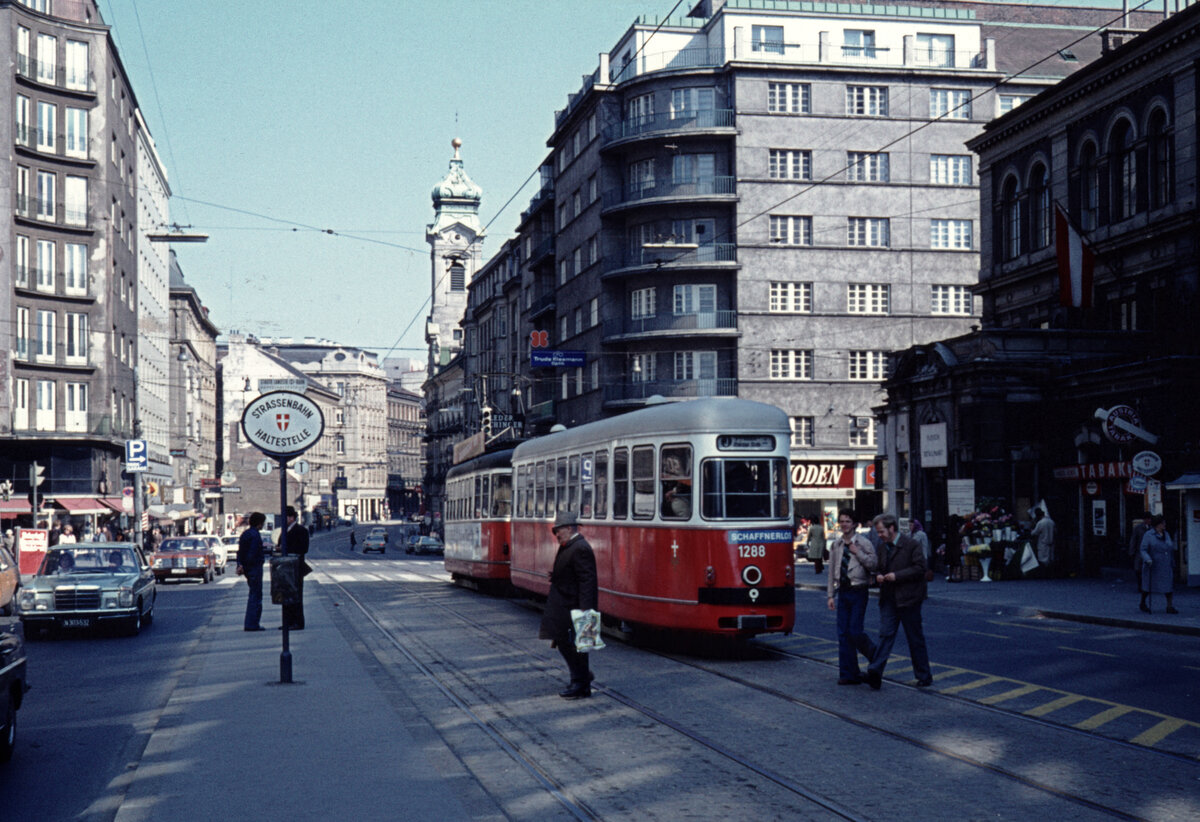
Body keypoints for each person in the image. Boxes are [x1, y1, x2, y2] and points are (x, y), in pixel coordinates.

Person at [865, 513, 932, 690]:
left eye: (881, 532)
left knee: (914, 638)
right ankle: (875, 672)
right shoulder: (882, 547)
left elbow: (920, 568)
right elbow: (879, 568)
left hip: (909, 598)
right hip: (889, 598)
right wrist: (878, 575)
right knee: (885, 634)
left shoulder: (911, 545)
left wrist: (897, 576)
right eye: (878, 532)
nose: (879, 535)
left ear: (892, 528)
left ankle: (923, 675)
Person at [539, 510, 598, 699]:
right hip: (567, 603)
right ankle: (581, 680)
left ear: (568, 528)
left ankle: (580, 681)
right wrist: (556, 576)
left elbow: (587, 580)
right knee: (567, 643)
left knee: (574, 645)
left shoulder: (579, 547)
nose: (556, 535)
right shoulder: (569, 545)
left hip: (575, 606)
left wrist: (585, 610)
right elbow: (573, 573)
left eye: (558, 531)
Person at [826, 509, 878, 685]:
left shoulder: (864, 543)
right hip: (843, 592)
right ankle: (849, 674)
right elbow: (832, 569)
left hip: (858, 590)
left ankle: (875, 656)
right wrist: (830, 595)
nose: (844, 525)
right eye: (841, 521)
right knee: (843, 634)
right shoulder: (837, 544)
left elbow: (873, 564)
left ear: (855, 524)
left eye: (848, 521)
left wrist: (858, 552)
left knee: (855, 631)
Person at [1139, 514, 1178, 614]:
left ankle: (1169, 606)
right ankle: (1143, 603)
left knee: (1168, 586)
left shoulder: (1166, 534)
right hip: (1153, 565)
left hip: (1165, 565)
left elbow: (1170, 547)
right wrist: (1147, 559)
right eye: (1163, 523)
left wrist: (1172, 562)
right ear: (1157, 524)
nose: (1164, 525)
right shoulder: (1148, 535)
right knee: (1148, 586)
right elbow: (1143, 549)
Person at [236, 512, 267, 631]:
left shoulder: (245, 534)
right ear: (259, 523)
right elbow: (252, 553)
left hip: (248, 569)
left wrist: (240, 565)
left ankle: (251, 623)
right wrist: (253, 563)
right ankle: (252, 623)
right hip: (254, 568)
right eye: (262, 523)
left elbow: (240, 552)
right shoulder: (255, 535)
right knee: (256, 596)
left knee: (253, 594)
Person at [282, 506, 310, 630]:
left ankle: (298, 622)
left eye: (285, 517)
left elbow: (303, 549)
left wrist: (285, 549)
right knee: (287, 595)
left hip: (295, 567)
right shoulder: (285, 530)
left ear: (291, 517)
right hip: (285, 568)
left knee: (296, 595)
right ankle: (288, 622)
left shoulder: (301, 530)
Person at [1129, 510, 1152, 613]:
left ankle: (1145, 587)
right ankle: (1140, 586)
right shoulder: (1138, 528)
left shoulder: (1152, 528)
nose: (1149, 520)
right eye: (1147, 519)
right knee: (1138, 570)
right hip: (1139, 552)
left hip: (1149, 553)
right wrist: (1132, 551)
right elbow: (1134, 540)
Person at [1031, 508, 1056, 574]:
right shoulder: (1051, 522)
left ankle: (1044, 574)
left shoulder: (1040, 523)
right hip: (1051, 543)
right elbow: (1055, 531)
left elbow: (1034, 533)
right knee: (1050, 560)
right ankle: (1051, 573)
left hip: (1043, 544)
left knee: (1042, 560)